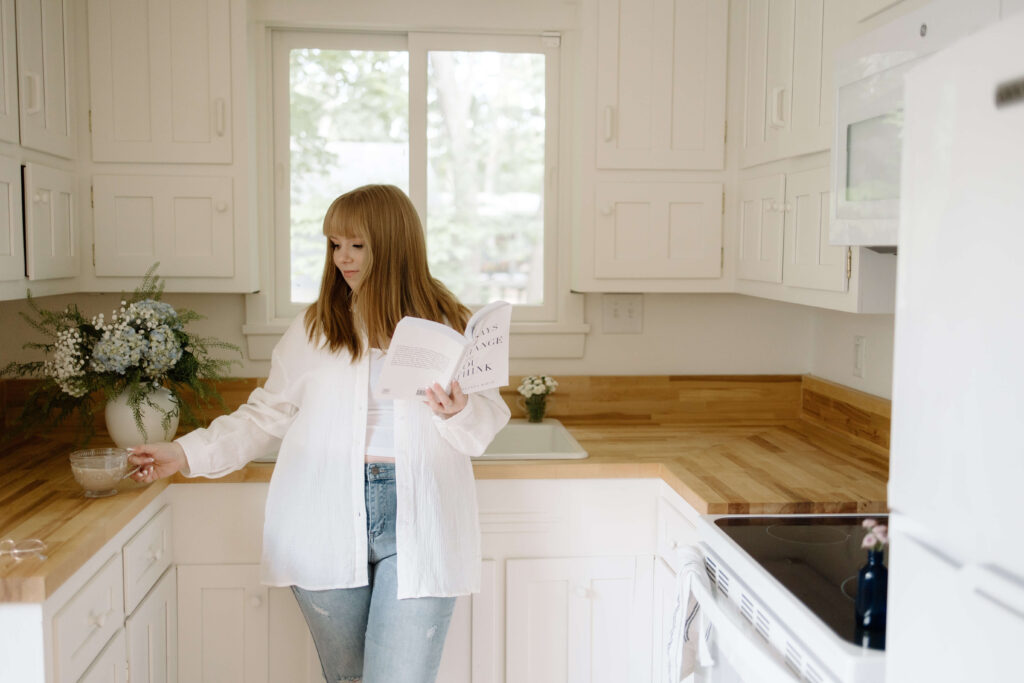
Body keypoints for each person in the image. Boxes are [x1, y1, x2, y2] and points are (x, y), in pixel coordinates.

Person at [128, 184, 511, 683]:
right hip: (326, 516)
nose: (343, 259)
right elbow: (266, 413)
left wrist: (458, 411)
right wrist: (184, 452)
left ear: (394, 246)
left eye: (357, 245)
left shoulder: (451, 323)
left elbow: (484, 424)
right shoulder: (317, 327)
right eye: (335, 245)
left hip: (422, 519)